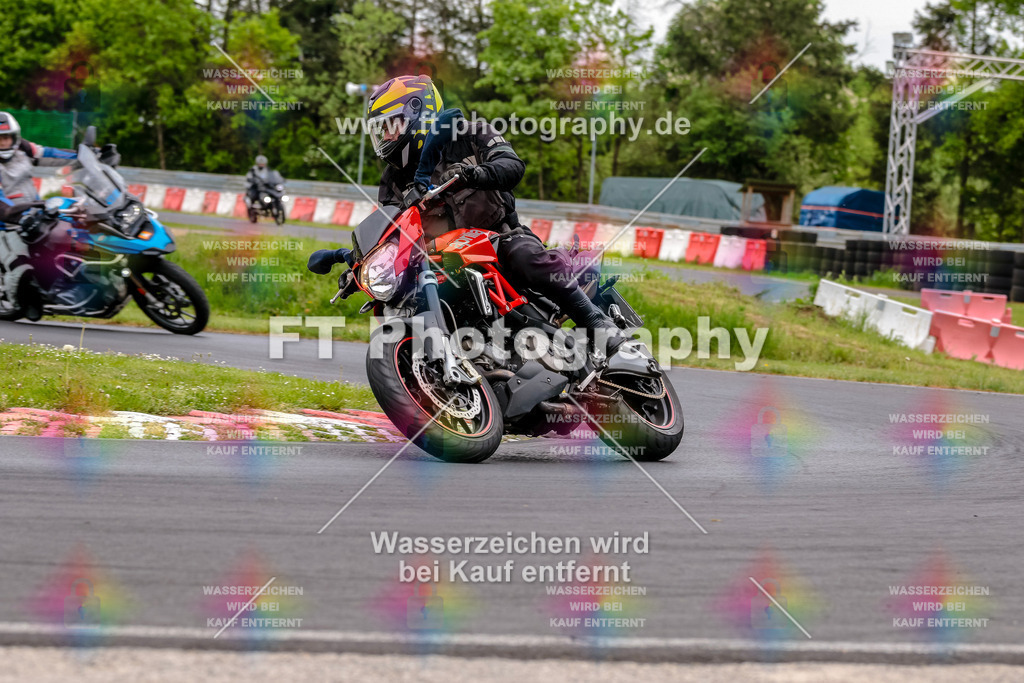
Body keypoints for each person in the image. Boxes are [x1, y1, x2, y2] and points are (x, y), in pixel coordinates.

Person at [309, 74, 625, 354]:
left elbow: (512, 166)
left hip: (499, 238)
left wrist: (476, 173)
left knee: (524, 256)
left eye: (391, 126)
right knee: (405, 299)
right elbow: (390, 232)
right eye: (381, 131)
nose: (387, 137)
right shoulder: (393, 180)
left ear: (418, 115)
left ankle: (597, 325)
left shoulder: (469, 134)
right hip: (446, 260)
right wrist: (360, 267)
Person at [0, 112, 77, 319]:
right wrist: (31, 207)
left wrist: (85, 155)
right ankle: (21, 304)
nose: (4, 143)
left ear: (14, 137)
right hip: (5, 227)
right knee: (20, 265)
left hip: (33, 216)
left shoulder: (23, 149)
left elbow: (50, 154)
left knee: (72, 234)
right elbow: (3, 208)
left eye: (7, 137)